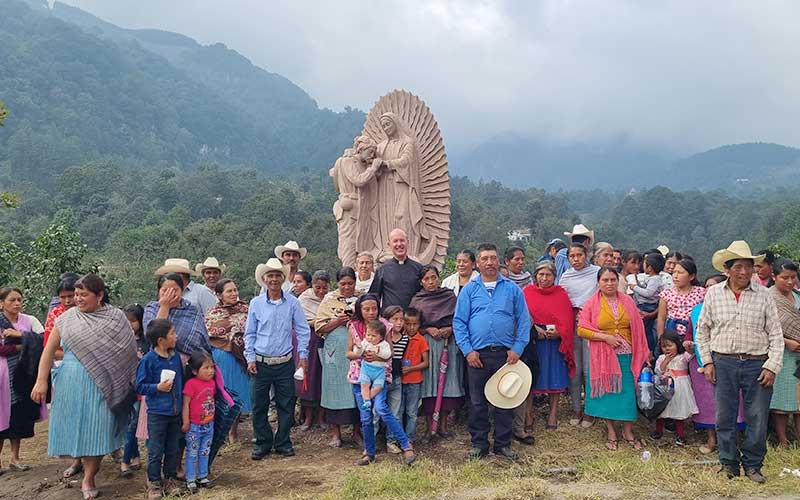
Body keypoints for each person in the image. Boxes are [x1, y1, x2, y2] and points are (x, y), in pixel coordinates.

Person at [31, 275, 138, 500]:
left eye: (83, 295)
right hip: (71, 381)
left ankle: (88, 478)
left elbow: (128, 352)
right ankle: (79, 466)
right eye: (76, 295)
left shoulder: (116, 318)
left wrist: (122, 376)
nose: (77, 299)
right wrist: (41, 380)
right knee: (76, 428)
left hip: (104, 384)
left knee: (98, 430)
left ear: (99, 296)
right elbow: (48, 351)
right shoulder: (67, 319)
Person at [696, 241, 784, 483]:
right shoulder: (714, 293)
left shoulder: (764, 295)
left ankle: (754, 465)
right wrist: (708, 362)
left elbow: (776, 334)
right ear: (728, 269)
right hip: (723, 362)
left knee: (757, 417)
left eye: (749, 267)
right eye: (739, 267)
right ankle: (729, 463)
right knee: (725, 416)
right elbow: (702, 330)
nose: (744, 272)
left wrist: (772, 366)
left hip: (757, 364)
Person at [453, 243, 531, 460]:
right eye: (485, 258)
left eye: (493, 258)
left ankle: (503, 445)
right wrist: (468, 351)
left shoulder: (512, 289)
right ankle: (479, 444)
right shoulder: (469, 289)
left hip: (506, 356)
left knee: (505, 400)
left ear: (499, 261)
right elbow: (459, 322)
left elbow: (524, 321)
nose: (489, 262)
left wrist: (517, 348)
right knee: (477, 402)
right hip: (477, 355)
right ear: (477, 263)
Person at [577, 267, 650, 451]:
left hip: (627, 355)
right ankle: (611, 431)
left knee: (627, 394)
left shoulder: (627, 301)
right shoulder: (591, 304)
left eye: (613, 280)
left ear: (618, 282)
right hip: (602, 357)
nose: (609, 283)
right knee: (608, 393)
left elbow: (639, 329)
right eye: (605, 280)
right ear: (598, 282)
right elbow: (582, 329)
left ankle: (628, 431)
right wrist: (605, 338)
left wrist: (644, 352)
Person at [245, 258, 310, 459]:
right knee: (259, 404)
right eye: (270, 276)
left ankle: (283, 441)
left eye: (277, 276)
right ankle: (263, 442)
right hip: (261, 362)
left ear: (283, 278)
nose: (273, 279)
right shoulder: (256, 304)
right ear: (264, 279)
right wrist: (250, 358)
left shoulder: (292, 303)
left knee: (286, 403)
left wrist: (303, 356)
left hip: (284, 362)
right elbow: (250, 333)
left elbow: (302, 330)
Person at [346, 294, 417, 466]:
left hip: (379, 376)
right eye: (366, 309)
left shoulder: (385, 326)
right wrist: (360, 354)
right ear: (359, 310)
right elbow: (348, 352)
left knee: (382, 409)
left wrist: (376, 355)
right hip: (360, 377)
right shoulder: (353, 327)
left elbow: (389, 354)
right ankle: (369, 452)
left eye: (374, 308)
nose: (371, 312)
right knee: (365, 416)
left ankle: (406, 446)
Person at [689, 273, 743, 455]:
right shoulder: (697, 310)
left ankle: (733, 442)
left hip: (728, 361)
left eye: (712, 286)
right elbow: (691, 334)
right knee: (708, 404)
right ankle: (712, 440)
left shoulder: (733, 307)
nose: (707, 290)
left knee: (730, 402)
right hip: (701, 362)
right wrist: (687, 344)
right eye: (706, 286)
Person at [409, 265, 464, 441]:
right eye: (426, 279)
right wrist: (427, 329)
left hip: (448, 344)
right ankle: (428, 428)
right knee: (429, 386)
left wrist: (450, 328)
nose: (431, 282)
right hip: (427, 347)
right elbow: (411, 326)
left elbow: (461, 319)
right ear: (421, 282)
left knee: (448, 383)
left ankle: (443, 426)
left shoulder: (449, 296)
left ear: (438, 278)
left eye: (433, 278)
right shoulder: (417, 300)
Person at [523, 260, 576, 430]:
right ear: (535, 276)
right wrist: (534, 328)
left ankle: (553, 414)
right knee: (530, 377)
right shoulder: (527, 292)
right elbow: (523, 315)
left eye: (548, 275)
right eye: (541, 274)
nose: (544, 278)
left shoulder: (561, 294)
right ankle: (528, 413)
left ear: (554, 277)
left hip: (554, 343)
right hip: (533, 341)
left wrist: (560, 332)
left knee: (555, 376)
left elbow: (567, 318)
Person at [136, 319, 184, 500]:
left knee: (173, 447)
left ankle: (170, 479)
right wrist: (157, 388)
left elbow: (181, 383)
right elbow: (140, 386)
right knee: (156, 449)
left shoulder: (175, 357)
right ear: (161, 340)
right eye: (172, 333)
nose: (176, 336)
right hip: (157, 413)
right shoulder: (149, 360)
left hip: (175, 412)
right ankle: (154, 482)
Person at [0, 287, 45, 473]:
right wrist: (24, 346)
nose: (17, 303)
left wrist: (21, 336)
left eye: (19, 299)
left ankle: (15, 458)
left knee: (17, 414)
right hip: (3, 375)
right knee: (1, 415)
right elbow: (2, 350)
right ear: (2, 303)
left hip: (24, 373)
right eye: (12, 300)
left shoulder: (30, 320)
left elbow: (44, 340)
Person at [316, 267, 362, 448]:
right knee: (333, 389)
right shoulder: (329, 300)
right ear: (337, 284)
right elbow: (319, 327)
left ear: (355, 283)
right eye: (343, 284)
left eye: (350, 283)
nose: (347, 287)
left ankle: (357, 432)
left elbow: (371, 320)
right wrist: (338, 321)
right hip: (335, 350)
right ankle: (335, 433)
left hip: (357, 350)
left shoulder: (362, 298)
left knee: (357, 389)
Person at [204, 278, 250, 441]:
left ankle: (233, 430)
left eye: (235, 290)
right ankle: (220, 430)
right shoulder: (212, 313)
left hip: (242, 357)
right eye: (229, 291)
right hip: (222, 357)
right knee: (223, 394)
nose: (234, 293)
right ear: (219, 295)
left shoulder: (245, 309)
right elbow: (209, 336)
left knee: (238, 394)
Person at [559, 243, 600, 427]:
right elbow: (561, 302)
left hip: (593, 326)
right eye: (572, 256)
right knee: (575, 369)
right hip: (572, 327)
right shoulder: (566, 277)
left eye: (579, 255)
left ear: (587, 255)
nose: (576, 259)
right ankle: (576, 408)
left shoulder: (597, 273)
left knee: (590, 369)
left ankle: (591, 410)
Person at [768, 259, 800, 447]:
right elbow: (764, 328)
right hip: (781, 354)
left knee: (798, 400)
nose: (790, 282)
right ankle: (783, 441)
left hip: (799, 355)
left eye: (793, 277)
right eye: (784, 278)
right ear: (774, 277)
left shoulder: (797, 296)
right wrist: (787, 342)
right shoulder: (768, 297)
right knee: (780, 397)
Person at [144, 272, 211, 358]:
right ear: (159, 291)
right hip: (161, 362)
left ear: (182, 291)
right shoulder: (152, 308)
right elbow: (152, 335)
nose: (170, 294)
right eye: (165, 291)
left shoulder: (192, 310)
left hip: (193, 364)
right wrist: (165, 307)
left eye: (175, 290)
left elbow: (202, 341)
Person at [651, 332, 698, 446]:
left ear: (677, 344)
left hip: (680, 387)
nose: (667, 348)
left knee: (679, 409)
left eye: (670, 345)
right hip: (665, 386)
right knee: (662, 409)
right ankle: (658, 431)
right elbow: (659, 370)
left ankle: (680, 435)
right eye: (664, 346)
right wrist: (666, 361)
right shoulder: (661, 358)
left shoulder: (683, 357)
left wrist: (690, 347)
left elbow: (692, 354)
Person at [297, 271, 330, 430]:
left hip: (327, 340)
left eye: (325, 288)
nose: (321, 291)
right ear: (312, 285)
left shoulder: (331, 299)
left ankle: (322, 417)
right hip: (309, 340)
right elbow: (301, 320)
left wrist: (323, 323)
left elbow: (332, 319)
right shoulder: (304, 298)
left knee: (324, 377)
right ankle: (308, 418)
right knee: (309, 377)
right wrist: (320, 322)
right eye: (318, 287)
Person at [181, 351, 217, 494]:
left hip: (209, 424)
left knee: (204, 451)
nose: (210, 371)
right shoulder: (191, 384)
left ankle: (202, 476)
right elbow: (186, 405)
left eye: (211, 367)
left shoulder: (212, 383)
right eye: (206, 368)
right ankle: (190, 478)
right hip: (195, 425)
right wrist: (186, 422)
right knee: (192, 452)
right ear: (195, 371)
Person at [120, 304, 147, 478]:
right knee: (130, 423)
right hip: (126, 388)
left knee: (133, 423)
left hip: (141, 388)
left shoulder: (146, 342)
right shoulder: (121, 340)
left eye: (133, 321)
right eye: (127, 321)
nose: (130, 325)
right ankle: (130, 458)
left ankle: (128, 458)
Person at [368, 228, 423, 310]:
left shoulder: (419, 268)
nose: (399, 244)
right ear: (389, 244)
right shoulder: (382, 270)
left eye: (402, 240)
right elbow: (374, 296)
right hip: (390, 319)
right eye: (395, 241)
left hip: (413, 319)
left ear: (408, 242)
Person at [398, 307, 429, 444]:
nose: (411, 327)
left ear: (419, 324)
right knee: (398, 411)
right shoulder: (398, 337)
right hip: (399, 381)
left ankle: (409, 438)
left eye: (414, 324)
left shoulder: (421, 340)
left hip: (414, 381)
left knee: (412, 412)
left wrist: (410, 369)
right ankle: (399, 437)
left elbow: (426, 363)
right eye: (408, 323)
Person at [656, 259, 706, 343]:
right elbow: (661, 318)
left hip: (694, 335)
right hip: (672, 336)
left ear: (691, 276)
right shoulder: (666, 294)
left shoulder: (701, 293)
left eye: (680, 273)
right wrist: (661, 339)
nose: (675, 276)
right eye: (674, 272)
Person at [382, 305, 408, 454]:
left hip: (397, 378)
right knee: (377, 411)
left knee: (395, 412)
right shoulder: (381, 338)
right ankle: (373, 440)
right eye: (395, 319)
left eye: (401, 320)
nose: (398, 323)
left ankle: (391, 441)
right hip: (382, 379)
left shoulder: (405, 339)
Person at [630, 252, 666, 354]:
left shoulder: (655, 279)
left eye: (644, 264)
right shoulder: (651, 278)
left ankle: (649, 349)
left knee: (647, 330)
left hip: (648, 307)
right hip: (646, 305)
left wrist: (634, 287)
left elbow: (648, 293)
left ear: (650, 267)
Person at [352, 320, 391, 410]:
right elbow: (357, 353)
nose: (370, 338)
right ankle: (367, 401)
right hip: (366, 369)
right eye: (368, 335)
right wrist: (358, 348)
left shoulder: (384, 345)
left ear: (381, 337)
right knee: (364, 385)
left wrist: (379, 351)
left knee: (378, 387)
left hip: (379, 371)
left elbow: (387, 355)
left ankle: (368, 399)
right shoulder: (365, 342)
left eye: (374, 336)